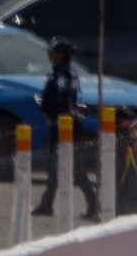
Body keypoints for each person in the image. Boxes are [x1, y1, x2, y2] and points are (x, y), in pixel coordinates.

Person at [32, 40, 100, 218]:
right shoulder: (70, 73)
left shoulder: (62, 75)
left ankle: (94, 205)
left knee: (75, 168)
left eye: (53, 52)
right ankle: (46, 204)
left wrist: (51, 112)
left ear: (61, 55)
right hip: (65, 125)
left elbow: (63, 98)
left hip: (62, 127)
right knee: (54, 168)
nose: (50, 55)